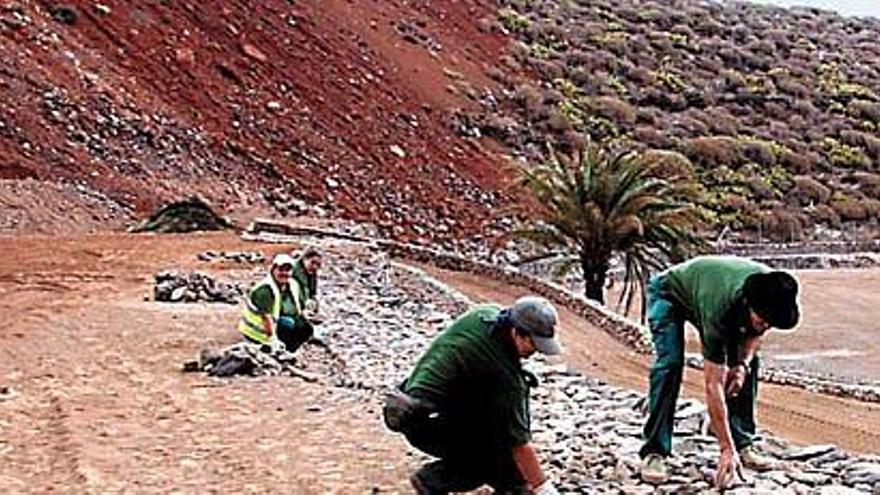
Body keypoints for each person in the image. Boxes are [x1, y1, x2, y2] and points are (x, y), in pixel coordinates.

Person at [638, 255, 801, 489]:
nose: (766, 325)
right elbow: (713, 384)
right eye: (763, 319)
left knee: (749, 365)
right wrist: (725, 449)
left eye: (771, 322)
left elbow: (755, 335)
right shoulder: (719, 308)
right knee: (670, 364)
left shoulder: (772, 289)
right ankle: (655, 451)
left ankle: (743, 441)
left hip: (712, 292)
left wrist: (742, 365)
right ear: (748, 304)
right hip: (669, 293)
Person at [383, 296, 563, 495]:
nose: (536, 351)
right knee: (490, 458)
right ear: (516, 332)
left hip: (405, 401)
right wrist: (544, 489)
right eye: (533, 344)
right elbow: (519, 443)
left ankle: (513, 486)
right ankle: (433, 480)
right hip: (421, 420)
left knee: (503, 455)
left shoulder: (485, 313)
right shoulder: (503, 374)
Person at [237, 248, 321, 353]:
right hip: (257, 332)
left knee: (305, 328)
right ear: (273, 270)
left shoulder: (292, 285)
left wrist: (306, 315)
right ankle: (275, 348)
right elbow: (266, 317)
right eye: (281, 270)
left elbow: (297, 306)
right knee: (288, 324)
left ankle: (288, 351)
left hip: (274, 322)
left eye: (288, 270)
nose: (284, 273)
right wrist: (273, 339)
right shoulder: (265, 289)